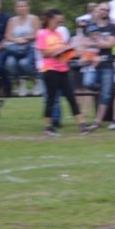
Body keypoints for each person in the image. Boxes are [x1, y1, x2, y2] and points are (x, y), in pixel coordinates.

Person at [35, 8, 89, 136]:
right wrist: (57, 51)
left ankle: (82, 125)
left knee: (71, 97)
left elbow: (64, 53)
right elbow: (43, 52)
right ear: (49, 20)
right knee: (52, 99)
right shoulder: (42, 33)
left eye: (60, 22)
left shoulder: (58, 34)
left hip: (63, 69)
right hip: (50, 70)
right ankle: (48, 127)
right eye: (57, 21)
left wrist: (71, 51)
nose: (59, 24)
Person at [87, 2, 115, 128]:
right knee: (88, 83)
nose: (104, 12)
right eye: (102, 9)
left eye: (107, 10)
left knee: (106, 92)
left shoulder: (112, 27)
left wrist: (99, 43)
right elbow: (85, 43)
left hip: (108, 64)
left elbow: (111, 44)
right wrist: (103, 43)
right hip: (93, 64)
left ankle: (98, 121)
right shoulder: (91, 27)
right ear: (97, 11)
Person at [3, 0, 41, 96]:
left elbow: (38, 34)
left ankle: (36, 82)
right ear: (15, 8)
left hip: (30, 47)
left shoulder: (34, 19)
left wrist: (27, 38)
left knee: (24, 63)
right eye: (19, 6)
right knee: (10, 63)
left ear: (28, 7)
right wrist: (16, 40)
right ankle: (20, 84)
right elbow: (7, 36)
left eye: (23, 6)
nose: (21, 8)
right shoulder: (12, 21)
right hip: (15, 48)